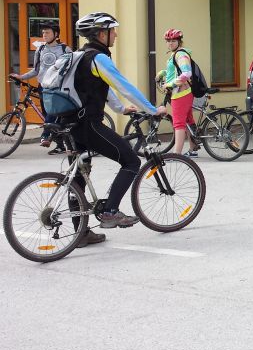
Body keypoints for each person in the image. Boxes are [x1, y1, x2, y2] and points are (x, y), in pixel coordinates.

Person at [69, 12, 167, 243]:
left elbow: (100, 87)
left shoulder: (80, 55)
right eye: (112, 30)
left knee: (79, 176)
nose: (116, 34)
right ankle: (110, 211)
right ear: (101, 33)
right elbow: (123, 85)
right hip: (89, 124)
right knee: (131, 161)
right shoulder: (99, 58)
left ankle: (80, 234)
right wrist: (153, 109)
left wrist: (121, 109)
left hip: (71, 124)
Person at [10, 22, 71, 154]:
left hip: (57, 88)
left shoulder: (65, 49)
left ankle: (45, 136)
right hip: (43, 87)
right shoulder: (41, 50)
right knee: (47, 115)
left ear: (56, 34)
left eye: (47, 32)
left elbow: (71, 69)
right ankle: (61, 145)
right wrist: (22, 77)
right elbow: (36, 70)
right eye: (43, 33)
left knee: (51, 114)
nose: (44, 35)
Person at [161, 29, 201, 157]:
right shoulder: (175, 54)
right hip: (183, 92)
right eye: (168, 41)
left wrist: (171, 84)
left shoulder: (180, 54)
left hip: (180, 93)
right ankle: (193, 148)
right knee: (188, 120)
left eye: (173, 41)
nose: (170, 43)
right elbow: (176, 72)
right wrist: (163, 73)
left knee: (178, 123)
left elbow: (186, 73)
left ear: (179, 41)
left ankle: (176, 154)